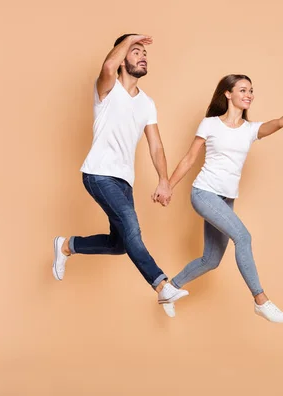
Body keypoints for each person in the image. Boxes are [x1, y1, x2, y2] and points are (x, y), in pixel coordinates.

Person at [163, 74, 283, 322]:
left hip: (226, 199)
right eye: (243, 90)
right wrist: (168, 186)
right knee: (243, 237)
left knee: (211, 260)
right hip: (204, 192)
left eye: (251, 90)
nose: (249, 94)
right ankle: (261, 300)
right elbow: (189, 159)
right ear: (228, 94)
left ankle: (169, 289)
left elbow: (280, 122)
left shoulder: (250, 130)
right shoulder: (210, 124)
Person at [51, 33, 188, 306]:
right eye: (135, 51)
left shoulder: (147, 103)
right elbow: (107, 68)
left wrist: (164, 180)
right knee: (132, 226)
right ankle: (161, 285)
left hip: (124, 180)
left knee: (120, 244)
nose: (143, 56)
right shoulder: (107, 89)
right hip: (98, 172)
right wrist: (131, 39)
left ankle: (67, 245)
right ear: (122, 57)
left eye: (144, 53)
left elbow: (156, 146)